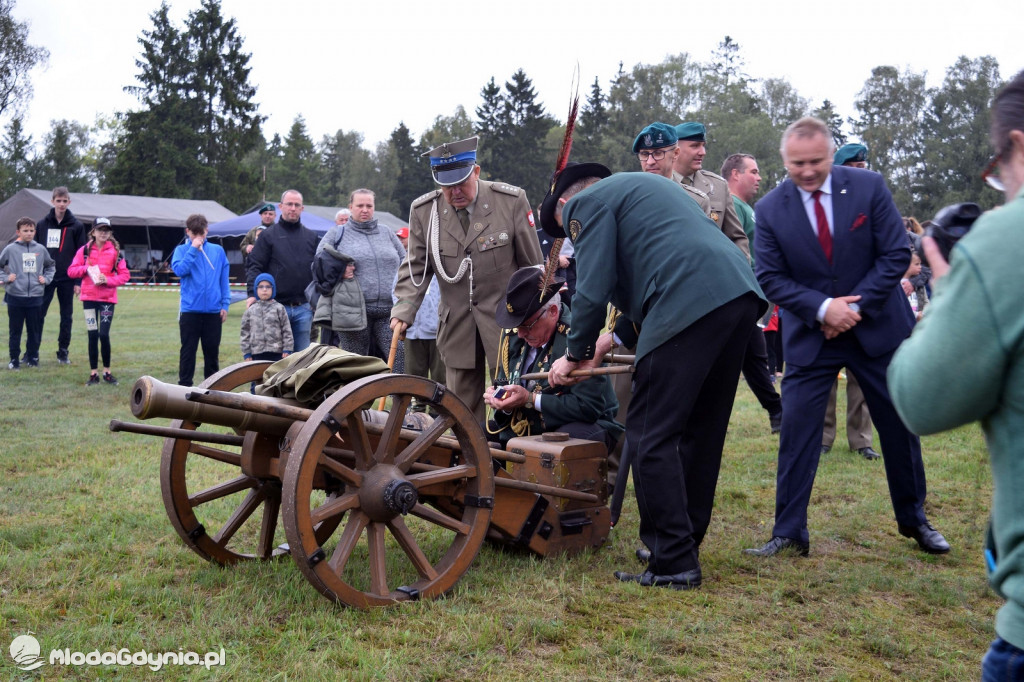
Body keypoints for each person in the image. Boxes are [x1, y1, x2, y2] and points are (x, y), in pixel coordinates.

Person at [544, 163, 767, 590]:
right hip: (736, 295)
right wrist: (608, 342)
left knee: (648, 433)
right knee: (702, 434)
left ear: (569, 205)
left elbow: (591, 288)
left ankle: (674, 561)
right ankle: (682, 544)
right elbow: (654, 270)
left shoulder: (586, 205)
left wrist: (575, 355)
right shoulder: (644, 191)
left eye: (567, 231)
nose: (572, 237)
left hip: (686, 304)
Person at [745, 117, 948, 559]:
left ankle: (915, 519)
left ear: (830, 156)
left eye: (816, 161)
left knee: (898, 426)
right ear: (785, 161)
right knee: (798, 430)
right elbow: (770, 277)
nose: (808, 171)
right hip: (811, 334)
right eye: (797, 163)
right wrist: (823, 309)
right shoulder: (771, 209)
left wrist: (852, 309)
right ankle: (789, 530)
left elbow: (896, 253)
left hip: (876, 328)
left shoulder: (868, 188)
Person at [888, 68, 1024, 681]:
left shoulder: (1007, 240)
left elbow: (923, 399)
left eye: (1000, 172)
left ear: (1017, 146)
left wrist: (952, 295)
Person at [391, 136, 543, 421]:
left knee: (510, 399)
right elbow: (416, 268)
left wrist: (537, 316)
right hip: (456, 323)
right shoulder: (425, 211)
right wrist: (404, 309)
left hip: (506, 322)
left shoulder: (509, 201)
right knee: (460, 408)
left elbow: (532, 266)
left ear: (476, 171)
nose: (454, 191)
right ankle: (469, 460)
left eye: (461, 182)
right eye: (446, 185)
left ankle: (505, 456)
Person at [484, 266, 622, 453]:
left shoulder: (577, 339)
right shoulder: (513, 335)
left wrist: (530, 399)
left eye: (527, 325)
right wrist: (503, 403)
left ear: (553, 311)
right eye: (517, 325)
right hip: (525, 426)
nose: (522, 333)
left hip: (581, 426)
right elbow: (506, 384)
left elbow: (588, 408)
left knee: (554, 449)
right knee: (470, 439)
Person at [821, 142, 879, 460]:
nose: (862, 173)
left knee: (862, 377)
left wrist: (862, 302)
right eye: (855, 168)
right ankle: (822, 437)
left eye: (864, 167)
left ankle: (861, 439)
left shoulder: (874, 203)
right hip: (828, 304)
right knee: (825, 377)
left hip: (861, 303)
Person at [722, 153, 783, 434]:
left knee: (752, 357)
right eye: (754, 172)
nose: (759, 178)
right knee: (752, 357)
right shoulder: (731, 205)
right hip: (739, 295)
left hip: (751, 294)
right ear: (735, 174)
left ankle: (777, 411)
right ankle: (777, 411)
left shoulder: (744, 208)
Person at [315, 189, 405, 369]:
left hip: (389, 310)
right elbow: (319, 260)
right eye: (360, 205)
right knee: (356, 366)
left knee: (399, 360)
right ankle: (357, 398)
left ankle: (400, 397)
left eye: (369, 206)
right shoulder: (337, 233)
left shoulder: (386, 232)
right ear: (350, 207)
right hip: (353, 310)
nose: (365, 209)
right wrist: (340, 269)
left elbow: (405, 260)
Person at [245, 190, 318, 352]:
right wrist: (251, 293)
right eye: (289, 204)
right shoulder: (268, 236)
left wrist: (316, 299)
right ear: (281, 206)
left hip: (304, 308)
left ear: (302, 208)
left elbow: (318, 271)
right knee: (272, 358)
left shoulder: (311, 237)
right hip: (275, 306)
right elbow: (255, 265)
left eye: (296, 205)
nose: (293, 208)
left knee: (301, 359)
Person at [66, 218, 131, 386]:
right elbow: (71, 271)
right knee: (93, 335)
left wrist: (108, 280)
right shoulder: (84, 251)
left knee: (103, 334)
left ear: (110, 233)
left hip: (107, 299)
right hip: (88, 299)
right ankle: (93, 373)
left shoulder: (116, 252)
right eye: (100, 229)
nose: (103, 233)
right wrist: (85, 269)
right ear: (93, 232)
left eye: (107, 230)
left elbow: (125, 275)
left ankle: (107, 372)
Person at [672, 121, 749, 259]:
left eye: (703, 146)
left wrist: (739, 274)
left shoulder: (718, 186)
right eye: (695, 146)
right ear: (676, 150)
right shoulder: (660, 184)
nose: (702, 152)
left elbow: (736, 239)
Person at [171, 213, 231, 386]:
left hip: (213, 312)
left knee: (212, 353)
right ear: (187, 232)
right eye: (194, 233)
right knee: (188, 352)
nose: (198, 237)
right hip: (190, 311)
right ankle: (184, 388)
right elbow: (180, 271)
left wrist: (225, 304)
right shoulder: (181, 250)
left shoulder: (217, 251)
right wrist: (192, 250)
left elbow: (223, 280)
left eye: (201, 233)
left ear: (207, 230)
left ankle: (212, 390)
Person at [395, 226, 445, 414]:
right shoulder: (407, 263)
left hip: (438, 329)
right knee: (414, 372)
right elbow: (397, 290)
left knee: (440, 374)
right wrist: (402, 315)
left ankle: (437, 408)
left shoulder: (444, 263)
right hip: (414, 329)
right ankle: (417, 407)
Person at [35, 187, 86, 365]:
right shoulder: (42, 224)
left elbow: (82, 255)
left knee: (66, 316)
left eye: (65, 201)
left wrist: (78, 280)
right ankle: (32, 352)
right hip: (46, 277)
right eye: (59, 200)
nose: (62, 204)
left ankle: (63, 352)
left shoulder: (77, 226)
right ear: (53, 201)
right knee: (38, 314)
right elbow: (36, 251)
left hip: (68, 277)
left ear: (69, 202)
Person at [632, 122, 715, 221]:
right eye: (644, 154)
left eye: (658, 153)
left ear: (676, 154)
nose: (650, 162)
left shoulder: (696, 201)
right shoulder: (629, 199)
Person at [1, 217, 55, 370]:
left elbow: (51, 266)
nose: (29, 233)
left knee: (34, 330)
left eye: (31, 231)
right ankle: (14, 359)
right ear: (18, 232)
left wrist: (46, 278)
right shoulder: (10, 249)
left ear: (35, 232)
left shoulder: (40, 249)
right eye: (25, 230)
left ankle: (33, 357)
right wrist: (6, 277)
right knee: (15, 330)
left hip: (36, 297)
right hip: (15, 297)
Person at [241, 273, 293, 362]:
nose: (264, 289)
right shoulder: (250, 311)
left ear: (273, 289)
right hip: (256, 353)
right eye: (261, 287)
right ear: (256, 289)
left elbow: (286, 330)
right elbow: (245, 333)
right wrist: (247, 353)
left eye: (268, 287)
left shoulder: (279, 308)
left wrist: (287, 348)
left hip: (277, 353)